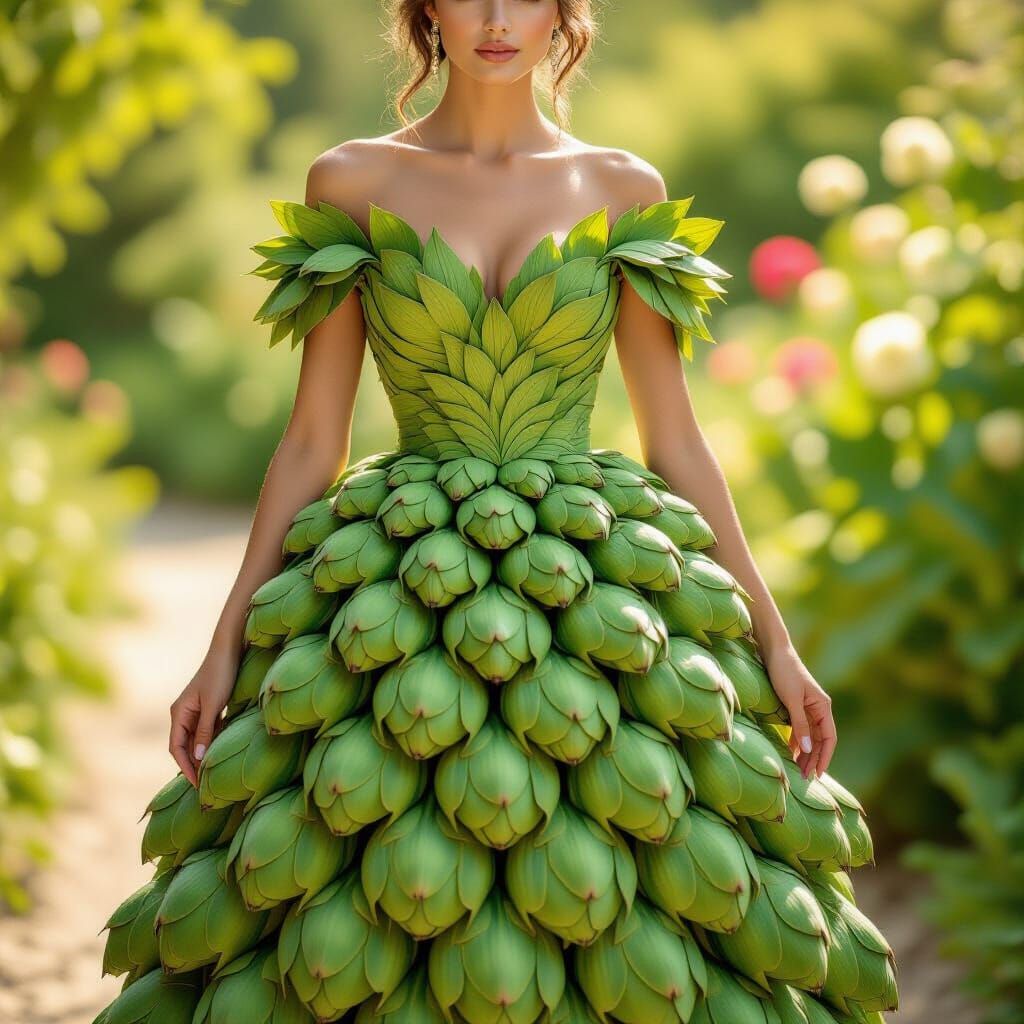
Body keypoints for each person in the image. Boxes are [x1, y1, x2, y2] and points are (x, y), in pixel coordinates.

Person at [93, 2, 899, 1021]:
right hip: (399, 576)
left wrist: (776, 644)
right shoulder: (350, 182)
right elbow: (311, 440)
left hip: (591, 573)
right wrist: (222, 648)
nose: (493, 17)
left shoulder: (623, 189)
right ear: (424, 7)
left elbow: (678, 439)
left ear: (565, 12)